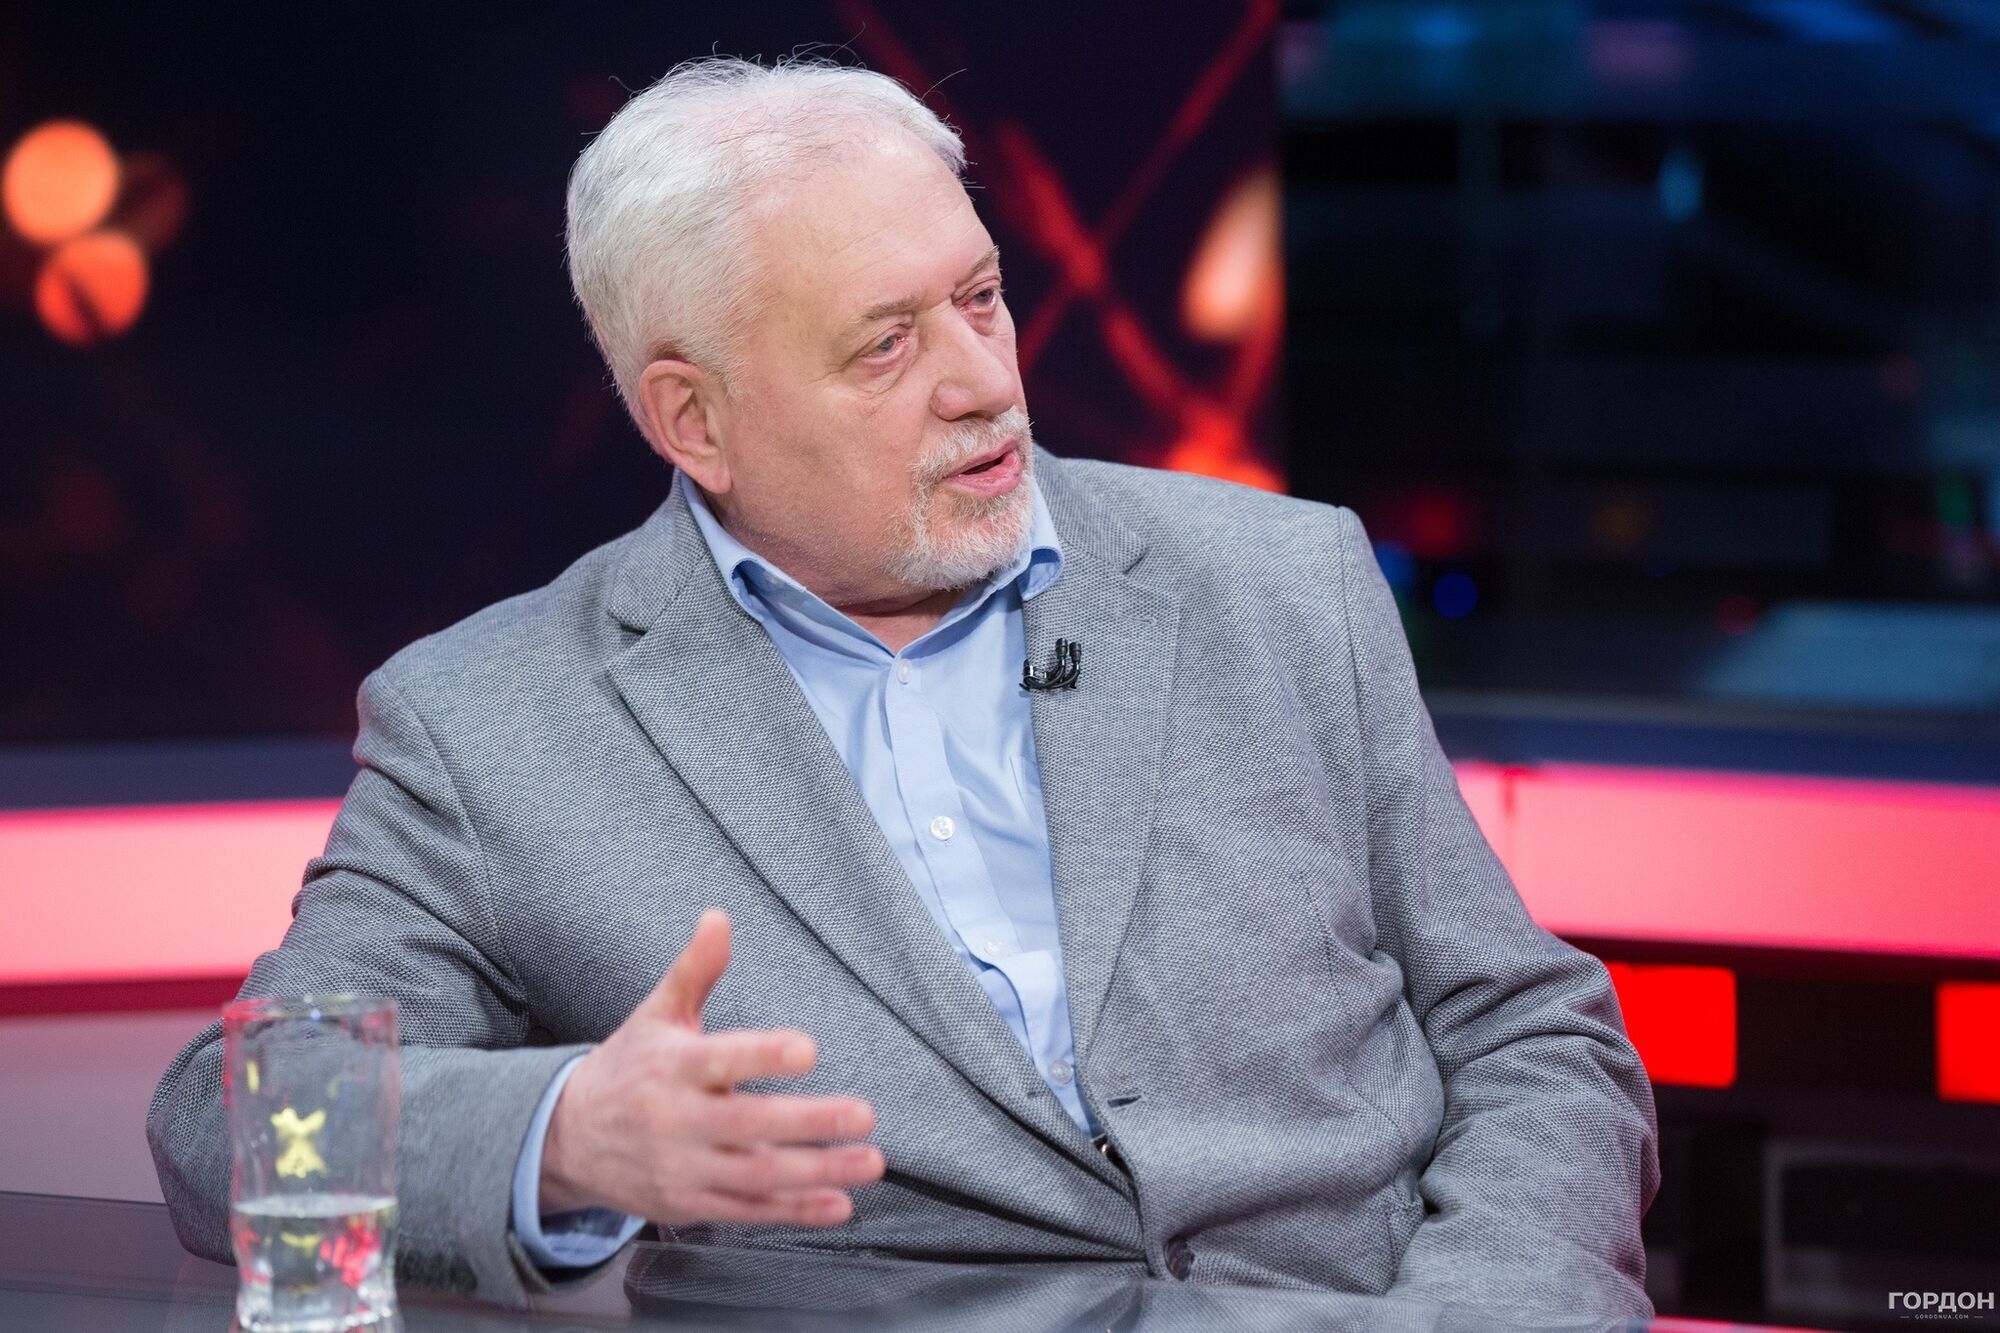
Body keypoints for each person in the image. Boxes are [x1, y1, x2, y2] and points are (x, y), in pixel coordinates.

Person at [148, 56, 1660, 1317]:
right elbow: (232, 1128)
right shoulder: (495, 725)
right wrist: (566, 1139)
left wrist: (1490, 1312)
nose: (985, 380)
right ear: (695, 420)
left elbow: (1533, 1036)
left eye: (981, 298)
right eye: (885, 346)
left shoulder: (1278, 583)